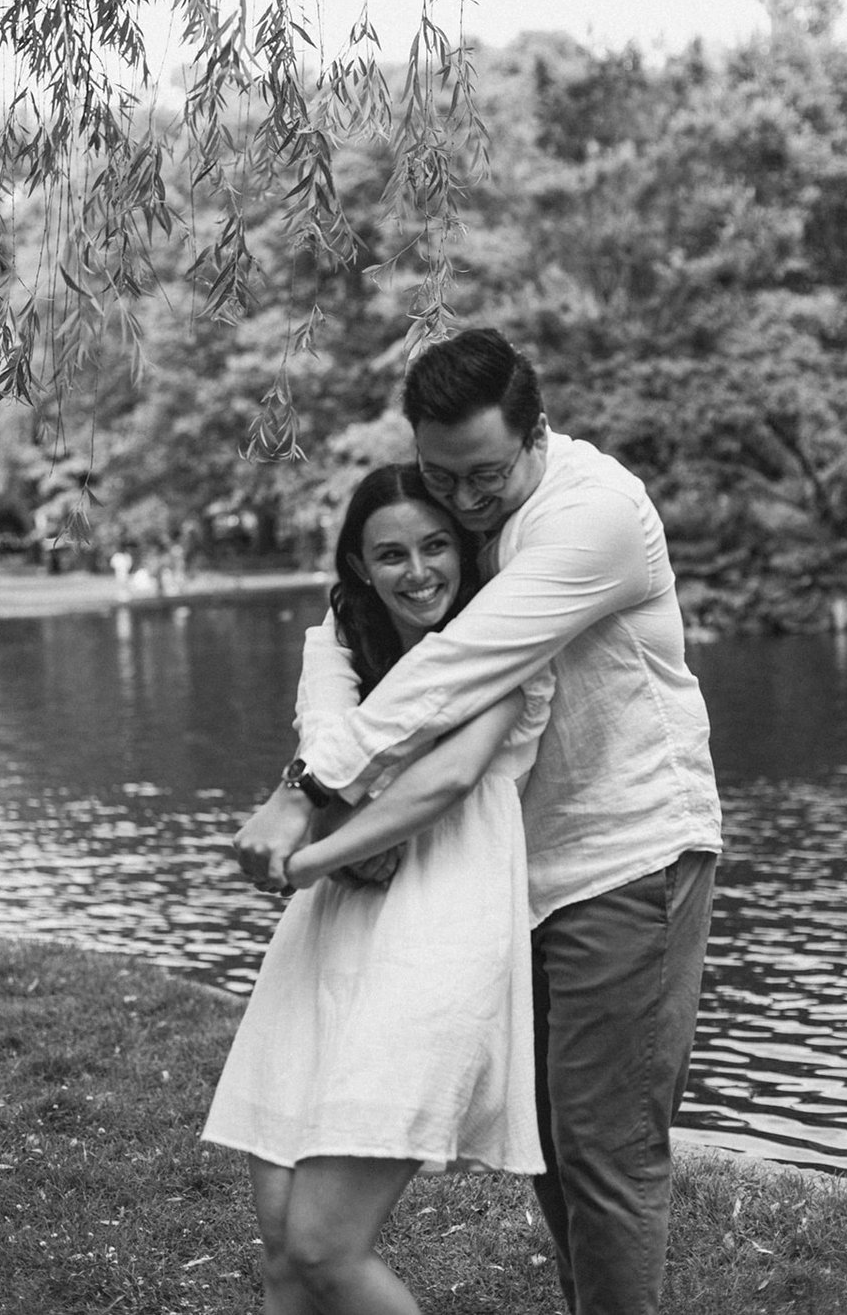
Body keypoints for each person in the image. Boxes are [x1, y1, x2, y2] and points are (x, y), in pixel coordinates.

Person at [234, 328, 723, 1315]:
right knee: (556, 1146)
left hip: (622, 854)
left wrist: (307, 793)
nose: (461, 500)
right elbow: (351, 624)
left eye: (482, 476)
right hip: (514, 873)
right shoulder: (472, 523)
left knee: (605, 1148)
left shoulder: (590, 517)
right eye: (440, 475)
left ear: (537, 431)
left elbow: (457, 670)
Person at [206, 463, 554, 1315]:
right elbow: (330, 731)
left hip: (443, 915)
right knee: (284, 1240)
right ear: (360, 565)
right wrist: (328, 826)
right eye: (391, 553)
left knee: (326, 1245)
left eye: (437, 545)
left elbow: (449, 777)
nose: (420, 570)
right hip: (330, 929)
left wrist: (316, 852)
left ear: (464, 551)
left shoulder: (503, 636)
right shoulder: (336, 633)